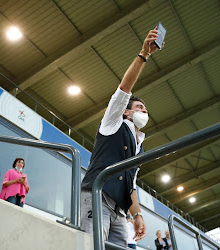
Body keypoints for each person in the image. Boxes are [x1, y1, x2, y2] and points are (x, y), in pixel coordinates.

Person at [80, 27, 164, 247]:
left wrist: (136, 215)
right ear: (127, 111)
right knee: (92, 246)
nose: (144, 111)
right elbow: (124, 89)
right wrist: (144, 55)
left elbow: (131, 186)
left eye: (146, 109)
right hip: (96, 197)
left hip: (120, 211)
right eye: (139, 107)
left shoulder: (140, 144)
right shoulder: (113, 122)